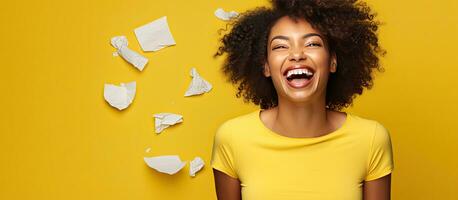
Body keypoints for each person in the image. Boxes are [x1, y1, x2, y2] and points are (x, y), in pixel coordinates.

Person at [211, 0, 394, 199]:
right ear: (265, 66)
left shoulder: (371, 139)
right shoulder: (232, 139)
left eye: (312, 43)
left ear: (333, 61)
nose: (297, 54)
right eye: (280, 46)